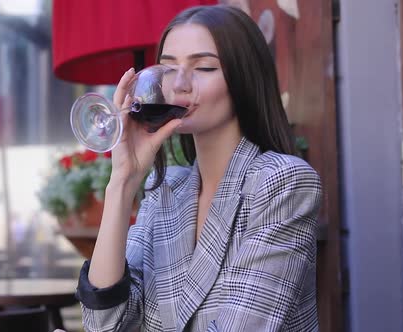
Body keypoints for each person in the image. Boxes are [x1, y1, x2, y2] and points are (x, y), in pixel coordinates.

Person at [75, 5, 322, 332]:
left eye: (204, 67)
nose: (179, 85)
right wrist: (122, 182)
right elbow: (104, 324)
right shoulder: (166, 191)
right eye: (167, 67)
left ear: (243, 78)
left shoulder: (282, 183)